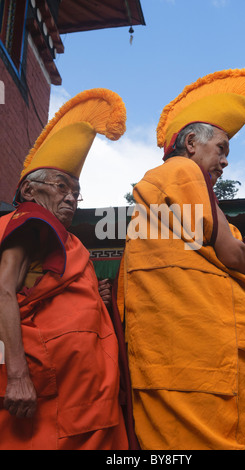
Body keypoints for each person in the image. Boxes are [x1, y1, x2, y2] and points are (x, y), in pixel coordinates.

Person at [119, 68, 245, 450]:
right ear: (192, 142)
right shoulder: (181, 172)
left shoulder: (165, 185)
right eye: (222, 149)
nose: (225, 161)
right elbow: (233, 257)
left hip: (169, 356)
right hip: (198, 361)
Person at [0, 88, 131, 450]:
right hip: (44, 395)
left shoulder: (69, 243)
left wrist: (95, 297)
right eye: (62, 187)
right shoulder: (29, 222)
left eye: (77, 191)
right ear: (29, 189)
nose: (71, 197)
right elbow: (4, 290)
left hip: (83, 397)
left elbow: (54, 292)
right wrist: (16, 375)